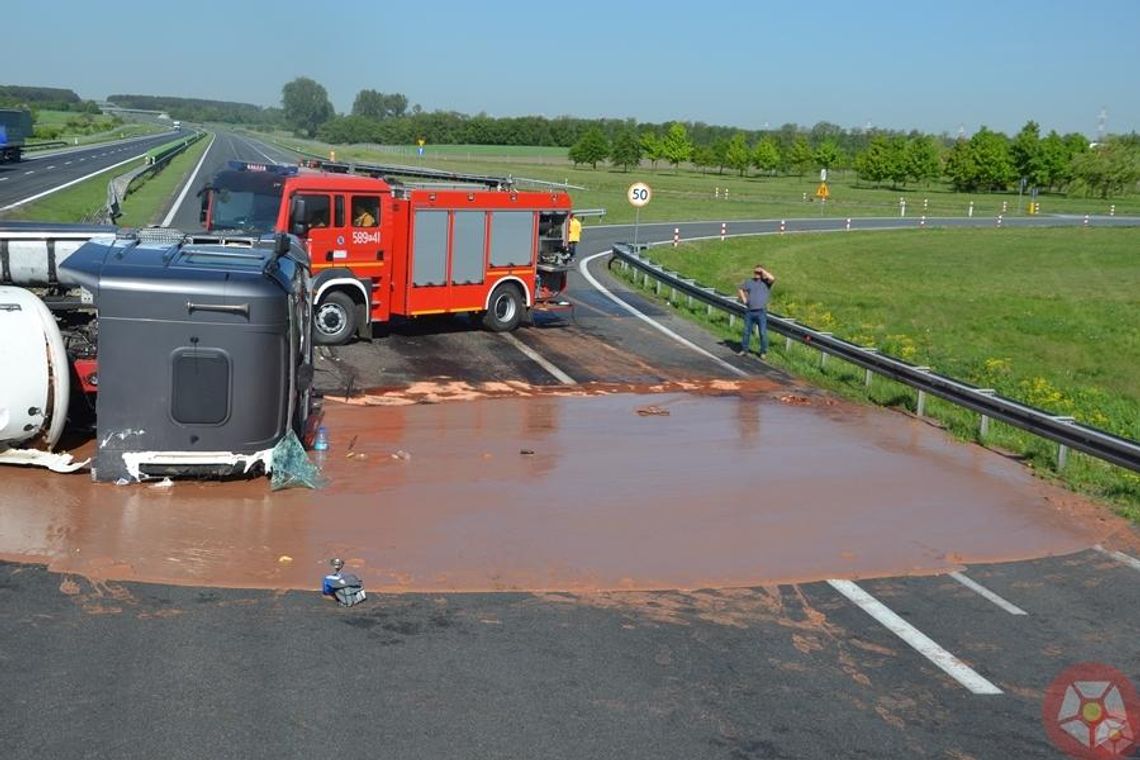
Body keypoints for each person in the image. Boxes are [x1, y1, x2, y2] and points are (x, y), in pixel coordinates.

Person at [738, 264, 776, 358]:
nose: (757, 274)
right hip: (750, 311)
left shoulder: (766, 282)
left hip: (761, 312)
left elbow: (773, 278)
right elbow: (740, 289)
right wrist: (744, 299)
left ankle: (763, 352)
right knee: (746, 331)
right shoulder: (749, 281)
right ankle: (744, 350)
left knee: (762, 333)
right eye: (755, 272)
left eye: (759, 272)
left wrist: (763, 271)